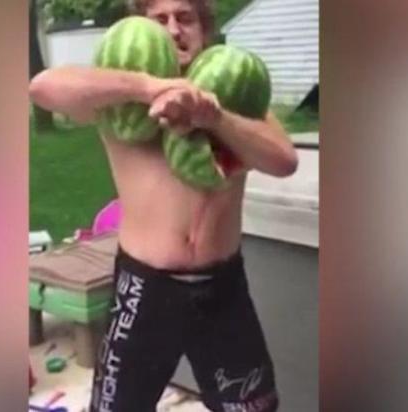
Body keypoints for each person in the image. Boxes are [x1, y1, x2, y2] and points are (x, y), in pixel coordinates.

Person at [29, 1, 297, 410]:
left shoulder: (238, 94)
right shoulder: (117, 101)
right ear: (142, 28)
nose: (174, 30)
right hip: (145, 288)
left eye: (185, 18)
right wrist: (150, 88)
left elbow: (284, 160)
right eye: (160, 20)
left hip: (222, 286)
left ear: (204, 30)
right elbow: (42, 87)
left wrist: (213, 118)